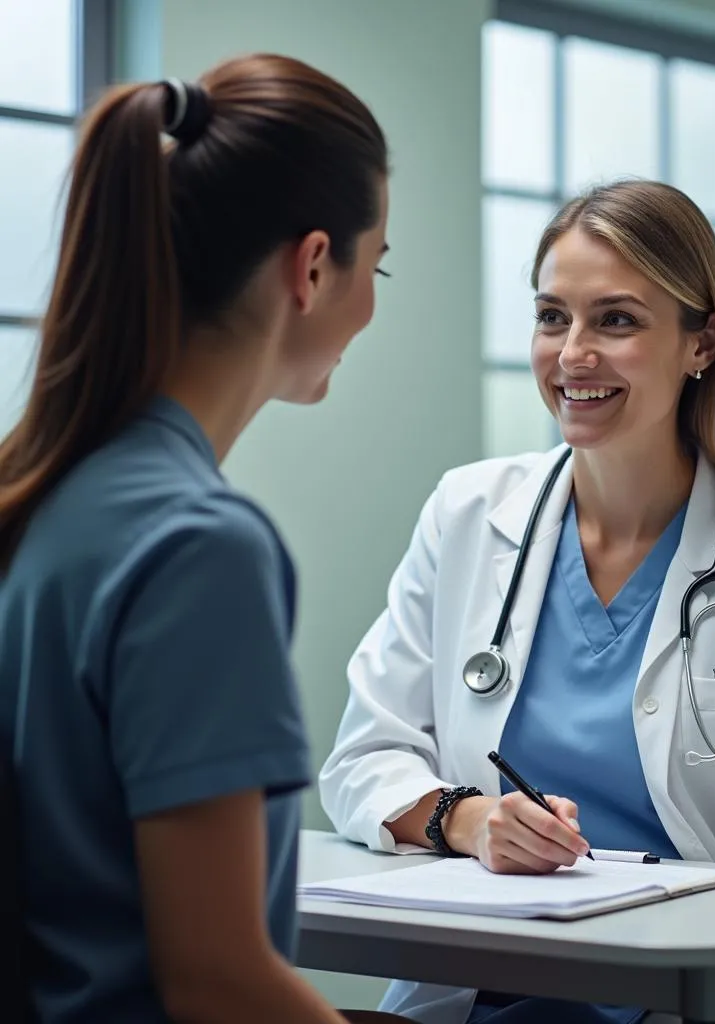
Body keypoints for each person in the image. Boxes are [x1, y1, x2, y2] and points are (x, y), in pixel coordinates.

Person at [319, 179, 715, 1024]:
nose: (572, 353)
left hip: (703, 997)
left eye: (615, 320)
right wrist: (469, 821)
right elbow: (363, 762)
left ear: (701, 344)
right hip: (482, 986)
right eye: (553, 317)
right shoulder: (467, 514)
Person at [0, 55, 408, 1024]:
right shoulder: (199, 547)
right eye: (376, 262)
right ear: (311, 267)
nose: (370, 300)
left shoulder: (40, 493)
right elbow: (219, 981)